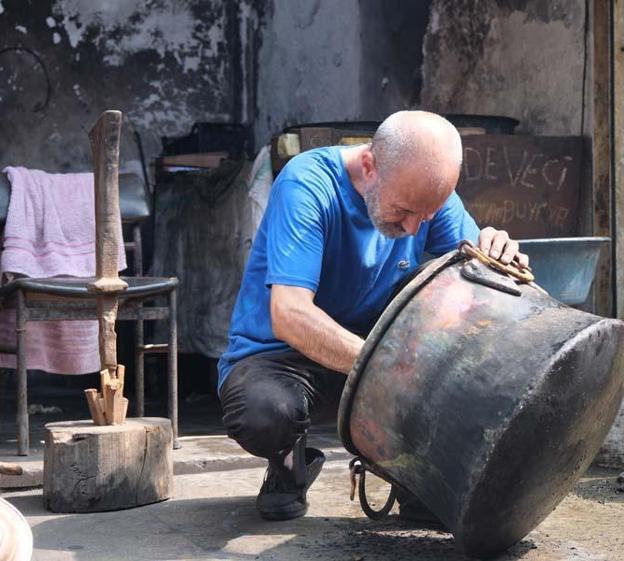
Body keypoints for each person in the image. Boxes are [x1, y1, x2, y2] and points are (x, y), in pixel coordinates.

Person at [218, 110, 529, 521]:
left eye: (427, 215)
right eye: (403, 211)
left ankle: (412, 475)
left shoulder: (422, 196)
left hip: (372, 346)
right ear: (369, 165)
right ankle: (287, 464)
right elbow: (290, 314)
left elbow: (478, 277)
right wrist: (392, 372)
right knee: (265, 414)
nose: (415, 228)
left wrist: (499, 254)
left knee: (446, 289)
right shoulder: (306, 184)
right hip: (283, 355)